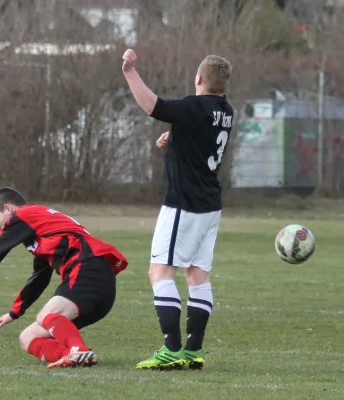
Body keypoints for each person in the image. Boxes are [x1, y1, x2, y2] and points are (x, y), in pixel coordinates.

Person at [122, 49, 234, 370]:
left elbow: (152, 105)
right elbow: (201, 134)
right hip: (210, 206)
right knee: (197, 274)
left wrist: (130, 71)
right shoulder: (225, 110)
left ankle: (171, 349)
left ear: (198, 79)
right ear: (223, 86)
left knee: (160, 271)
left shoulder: (193, 106)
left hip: (184, 203)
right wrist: (173, 137)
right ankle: (193, 350)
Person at [0, 187, 128, 369]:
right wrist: (14, 313)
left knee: (47, 315)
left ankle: (78, 350)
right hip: (97, 280)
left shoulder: (24, 214)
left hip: (88, 269)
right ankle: (75, 355)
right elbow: (40, 277)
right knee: (27, 338)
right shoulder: (41, 228)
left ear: (8, 209)